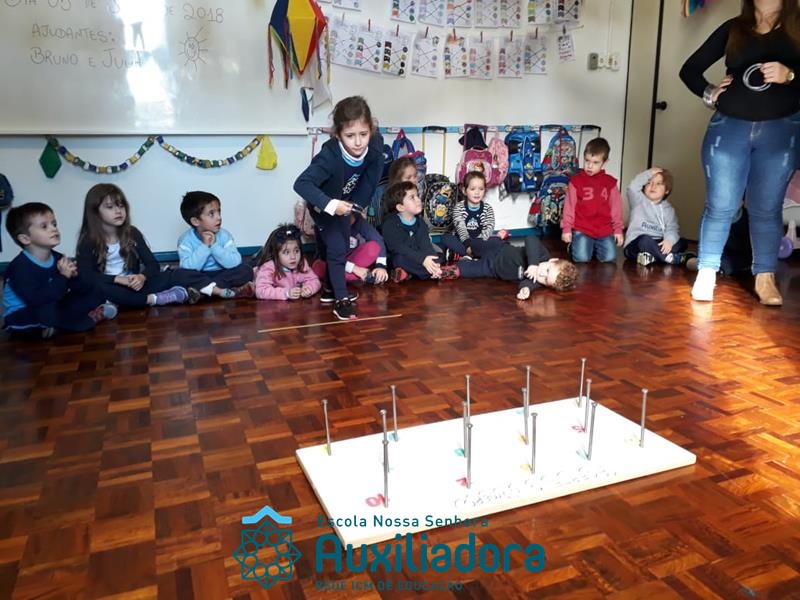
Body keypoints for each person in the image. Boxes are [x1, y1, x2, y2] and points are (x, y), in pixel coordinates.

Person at [679, 0, 800, 305]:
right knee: (720, 207)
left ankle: (765, 278)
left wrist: (790, 75)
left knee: (766, 208)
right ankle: (707, 272)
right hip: (728, 130)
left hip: (780, 132)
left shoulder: (797, 26)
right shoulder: (734, 28)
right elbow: (689, 70)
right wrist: (710, 92)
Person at [294, 96, 385, 321]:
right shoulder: (329, 156)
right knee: (337, 247)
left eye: (363, 134)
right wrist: (332, 205)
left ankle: (328, 289)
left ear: (371, 130)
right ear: (338, 134)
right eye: (350, 136)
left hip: (346, 204)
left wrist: (355, 208)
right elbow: (302, 184)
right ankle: (341, 300)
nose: (358, 142)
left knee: (338, 245)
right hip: (323, 204)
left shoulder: (375, 146)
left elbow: (370, 181)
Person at [3, 202, 117, 338]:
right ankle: (85, 319)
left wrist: (74, 276)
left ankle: (62, 324)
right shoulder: (19, 267)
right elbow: (36, 299)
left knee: (94, 291)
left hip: (52, 303)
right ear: (25, 238)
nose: (53, 229)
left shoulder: (58, 258)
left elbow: (71, 289)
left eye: (54, 224)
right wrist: (63, 277)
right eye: (44, 226)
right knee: (48, 312)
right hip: (24, 312)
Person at [76, 183, 197, 308]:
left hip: (133, 286)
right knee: (97, 288)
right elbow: (86, 276)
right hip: (108, 286)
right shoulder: (88, 240)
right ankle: (154, 299)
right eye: (110, 207)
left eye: (121, 206)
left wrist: (142, 277)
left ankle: (125, 302)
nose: (118, 211)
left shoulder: (132, 233)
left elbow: (152, 265)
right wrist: (117, 279)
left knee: (174, 275)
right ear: (95, 212)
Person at [177, 190, 254, 299]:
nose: (219, 217)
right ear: (195, 221)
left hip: (222, 274)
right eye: (211, 214)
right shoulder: (185, 240)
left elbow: (235, 262)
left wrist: (214, 246)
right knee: (180, 275)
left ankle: (205, 291)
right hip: (200, 275)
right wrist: (204, 246)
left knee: (246, 270)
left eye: (219, 212)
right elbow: (188, 267)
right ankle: (218, 290)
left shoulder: (225, 235)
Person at [560, 137, 624, 263]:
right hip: (582, 228)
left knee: (609, 258)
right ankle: (574, 246)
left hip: (604, 230)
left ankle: (592, 247)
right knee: (581, 258)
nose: (589, 166)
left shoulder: (610, 183)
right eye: (587, 160)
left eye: (595, 163)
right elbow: (569, 207)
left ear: (604, 162)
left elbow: (616, 209)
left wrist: (618, 230)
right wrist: (567, 229)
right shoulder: (576, 182)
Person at [381, 181, 460, 282]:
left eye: (417, 196)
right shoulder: (390, 224)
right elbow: (399, 248)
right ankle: (440, 272)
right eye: (412, 197)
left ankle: (408, 274)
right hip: (403, 255)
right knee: (398, 260)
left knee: (437, 256)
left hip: (418, 256)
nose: (418, 200)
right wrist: (422, 260)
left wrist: (431, 260)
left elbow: (425, 244)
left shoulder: (420, 222)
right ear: (401, 207)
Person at [457, 235, 578, 299]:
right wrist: (533, 264)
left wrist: (525, 290)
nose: (541, 274)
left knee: (462, 271)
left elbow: (528, 284)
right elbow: (531, 239)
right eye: (547, 270)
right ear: (553, 260)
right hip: (497, 248)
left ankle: (463, 262)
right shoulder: (542, 255)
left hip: (491, 269)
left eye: (546, 280)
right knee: (472, 247)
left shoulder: (538, 281)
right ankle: (462, 251)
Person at [623, 167, 692, 265]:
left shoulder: (669, 210)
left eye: (658, 183)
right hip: (637, 244)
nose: (653, 186)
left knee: (681, 242)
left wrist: (669, 241)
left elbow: (672, 228)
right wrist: (649, 173)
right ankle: (672, 259)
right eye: (649, 183)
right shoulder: (638, 201)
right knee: (645, 240)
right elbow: (632, 188)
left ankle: (652, 257)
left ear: (666, 190)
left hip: (657, 243)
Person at [440, 171, 506, 260]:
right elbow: (461, 230)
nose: (477, 192)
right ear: (464, 191)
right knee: (446, 238)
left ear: (485, 190)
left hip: (480, 243)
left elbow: (488, 228)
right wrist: (468, 247)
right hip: (463, 242)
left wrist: (477, 246)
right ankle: (470, 255)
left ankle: (468, 255)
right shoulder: (459, 208)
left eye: (481, 189)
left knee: (497, 241)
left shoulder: (487, 208)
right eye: (473, 189)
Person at [253, 224, 322, 301]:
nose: (293, 257)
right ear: (276, 254)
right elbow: (261, 291)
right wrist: (286, 293)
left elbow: (315, 280)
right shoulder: (268, 267)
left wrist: (309, 288)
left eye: (296, 251)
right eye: (286, 252)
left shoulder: (302, 263)